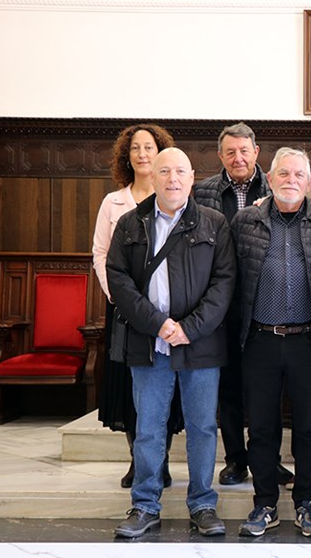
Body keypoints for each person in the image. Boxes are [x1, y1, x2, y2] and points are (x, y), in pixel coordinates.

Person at [108, 147, 236, 538]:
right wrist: (159, 325)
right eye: (165, 171)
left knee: (202, 428)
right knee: (148, 428)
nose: (173, 179)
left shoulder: (214, 223)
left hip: (200, 344)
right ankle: (145, 505)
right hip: (148, 344)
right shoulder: (130, 224)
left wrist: (189, 329)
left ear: (192, 177)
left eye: (180, 171)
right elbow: (118, 281)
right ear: (153, 176)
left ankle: (203, 504)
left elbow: (224, 283)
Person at [231, 148, 311, 538]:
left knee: (309, 427)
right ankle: (264, 503)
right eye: (283, 173)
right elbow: (231, 279)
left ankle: (306, 502)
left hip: (310, 341)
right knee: (261, 427)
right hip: (259, 340)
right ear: (270, 178)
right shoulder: (245, 221)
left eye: (298, 174)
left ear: (310, 181)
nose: (291, 180)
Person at [193, 122, 294, 488]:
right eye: (230, 152)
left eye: (244, 151)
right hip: (220, 304)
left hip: (265, 302)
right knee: (230, 386)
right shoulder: (201, 192)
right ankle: (236, 459)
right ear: (220, 156)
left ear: (256, 153)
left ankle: (270, 460)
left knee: (268, 390)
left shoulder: (275, 187)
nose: (238, 158)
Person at [92, 123, 182, 489]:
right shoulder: (113, 202)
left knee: (167, 390)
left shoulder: (174, 194)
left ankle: (161, 461)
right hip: (125, 312)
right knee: (132, 392)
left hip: (167, 313)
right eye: (135, 149)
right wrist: (118, 295)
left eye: (149, 147)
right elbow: (100, 253)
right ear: (126, 157)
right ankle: (138, 461)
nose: (142, 154)